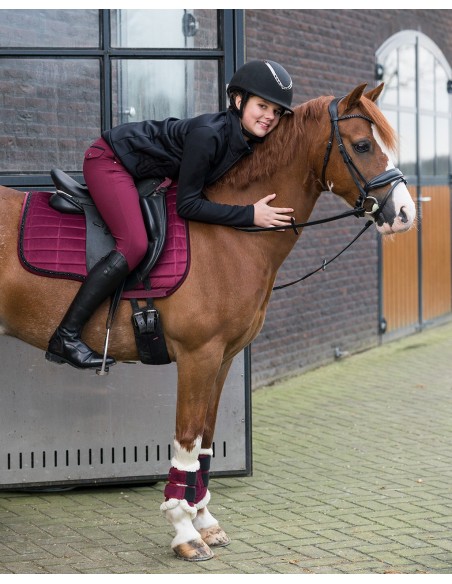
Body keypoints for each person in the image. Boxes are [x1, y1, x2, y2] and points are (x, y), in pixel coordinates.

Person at [45, 59, 295, 370]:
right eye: (262, 106)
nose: (270, 117)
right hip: (109, 160)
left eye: (277, 111)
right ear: (239, 100)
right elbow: (188, 205)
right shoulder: (210, 135)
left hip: (143, 171)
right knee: (134, 244)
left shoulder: (246, 139)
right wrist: (249, 215)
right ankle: (65, 337)